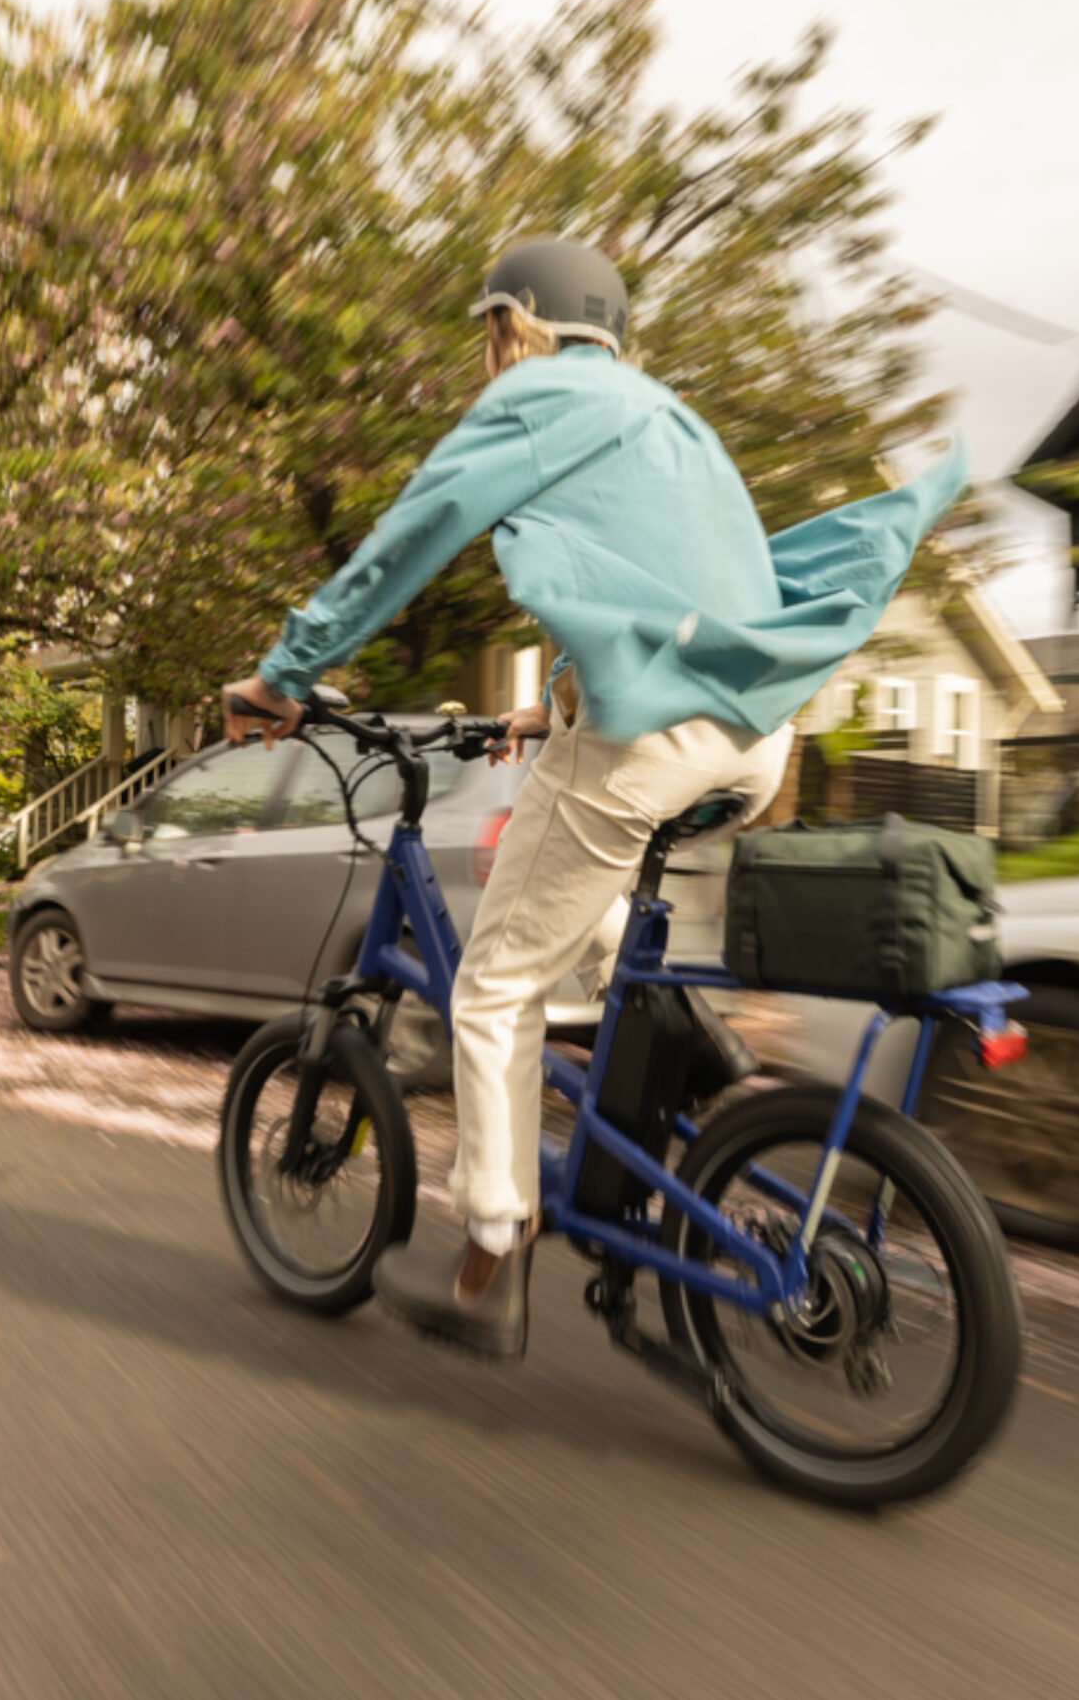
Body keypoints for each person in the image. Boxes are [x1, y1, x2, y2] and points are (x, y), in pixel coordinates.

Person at [223, 236, 967, 1358]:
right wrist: (558, 698)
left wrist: (286, 672)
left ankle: (487, 1260)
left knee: (491, 987)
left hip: (653, 743)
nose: (486, 354)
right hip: (754, 740)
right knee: (595, 917)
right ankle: (666, 1094)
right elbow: (680, 590)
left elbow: (408, 538)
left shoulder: (536, 394)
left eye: (488, 332)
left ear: (513, 323)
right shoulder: (673, 421)